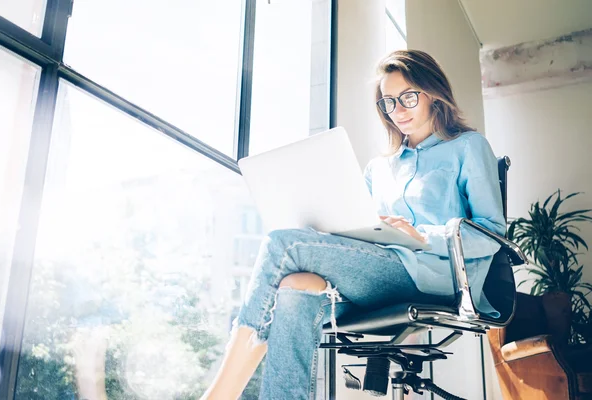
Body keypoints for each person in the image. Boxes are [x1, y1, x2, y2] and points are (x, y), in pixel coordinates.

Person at [200, 49, 505, 400]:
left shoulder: (467, 147)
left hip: (434, 278)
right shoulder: (380, 167)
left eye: (407, 97)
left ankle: (219, 395)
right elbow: (363, 227)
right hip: (381, 274)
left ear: (433, 93)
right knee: (297, 285)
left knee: (283, 244)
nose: (398, 111)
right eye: (389, 102)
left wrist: (423, 236)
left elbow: (491, 233)